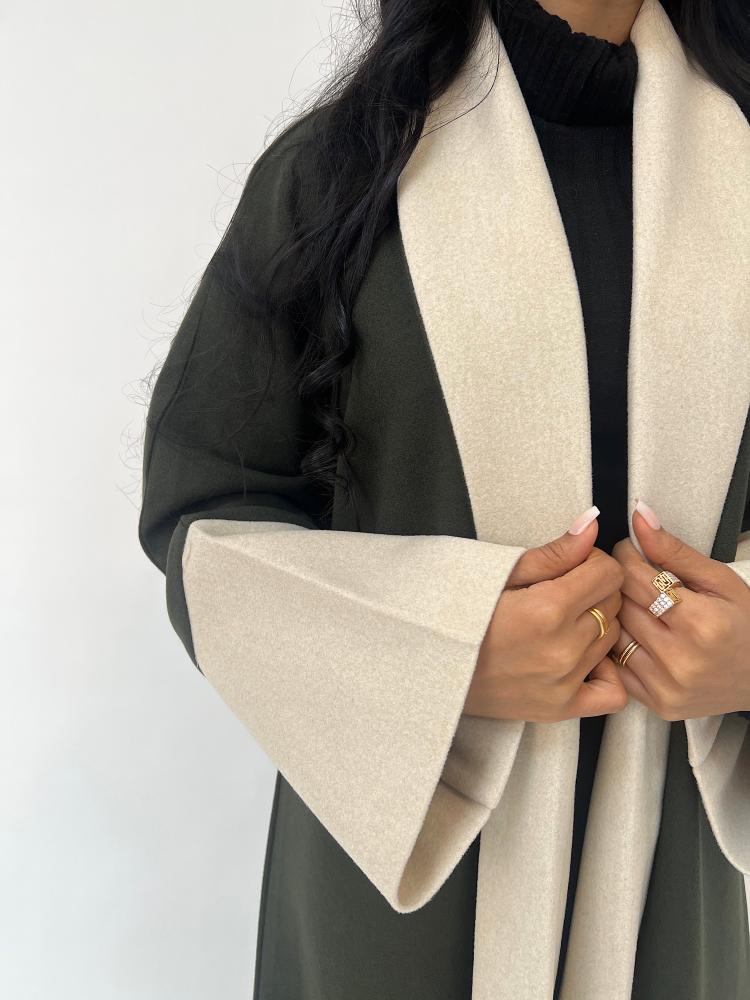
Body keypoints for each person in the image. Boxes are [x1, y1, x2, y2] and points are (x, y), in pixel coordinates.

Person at [137, 0, 750, 996]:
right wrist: (442, 648)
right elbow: (202, 517)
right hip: (401, 896)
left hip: (674, 882)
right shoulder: (345, 170)